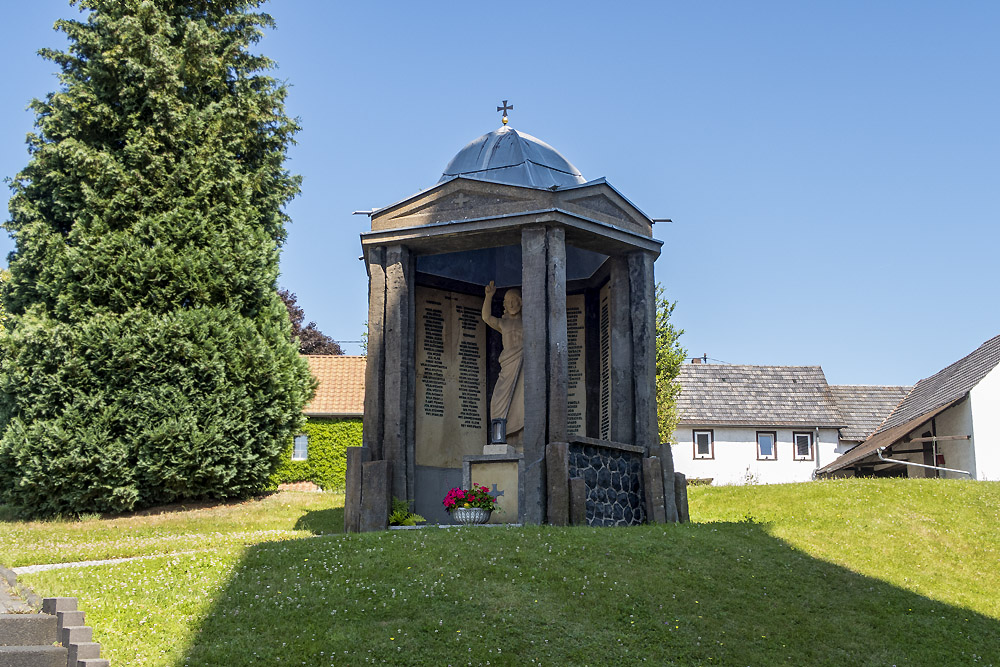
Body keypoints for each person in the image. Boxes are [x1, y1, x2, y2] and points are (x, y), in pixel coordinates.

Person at [482, 281, 524, 436]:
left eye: (515, 300)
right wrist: (489, 296)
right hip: (507, 367)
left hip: (522, 367)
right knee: (497, 401)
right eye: (509, 301)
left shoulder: (527, 323)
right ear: (505, 304)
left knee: (521, 401)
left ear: (521, 302)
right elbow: (486, 317)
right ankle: (499, 435)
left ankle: (517, 434)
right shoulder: (503, 323)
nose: (512, 304)